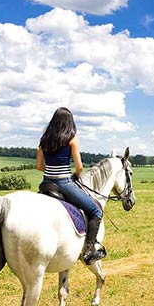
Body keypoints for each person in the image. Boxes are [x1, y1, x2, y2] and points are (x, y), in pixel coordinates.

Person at [36, 107, 105, 263]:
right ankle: (89, 250)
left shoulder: (44, 140)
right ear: (69, 122)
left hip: (46, 184)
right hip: (64, 183)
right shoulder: (71, 139)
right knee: (95, 211)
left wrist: (51, 170)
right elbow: (79, 166)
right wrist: (75, 175)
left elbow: (39, 166)